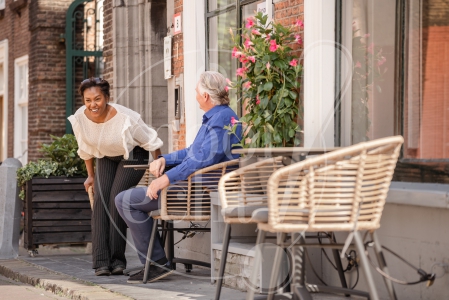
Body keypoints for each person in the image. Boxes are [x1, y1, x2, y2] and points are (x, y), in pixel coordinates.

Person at [115, 71, 242, 284]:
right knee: (127, 199)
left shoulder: (219, 120)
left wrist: (165, 179)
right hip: (194, 187)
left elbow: (200, 160)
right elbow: (193, 151)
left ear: (206, 97)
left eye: (196, 92)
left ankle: (156, 264)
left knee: (124, 201)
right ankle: (156, 261)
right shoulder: (221, 116)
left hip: (197, 193)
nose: (194, 96)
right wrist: (165, 159)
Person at [68, 77, 163, 276]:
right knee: (101, 201)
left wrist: (159, 169)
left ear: (107, 98)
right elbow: (86, 149)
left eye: (97, 99)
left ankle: (118, 261)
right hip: (105, 156)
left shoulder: (125, 117)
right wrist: (91, 176)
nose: (93, 105)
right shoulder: (80, 118)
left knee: (115, 199)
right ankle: (102, 262)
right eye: (88, 100)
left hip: (133, 155)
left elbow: (153, 142)